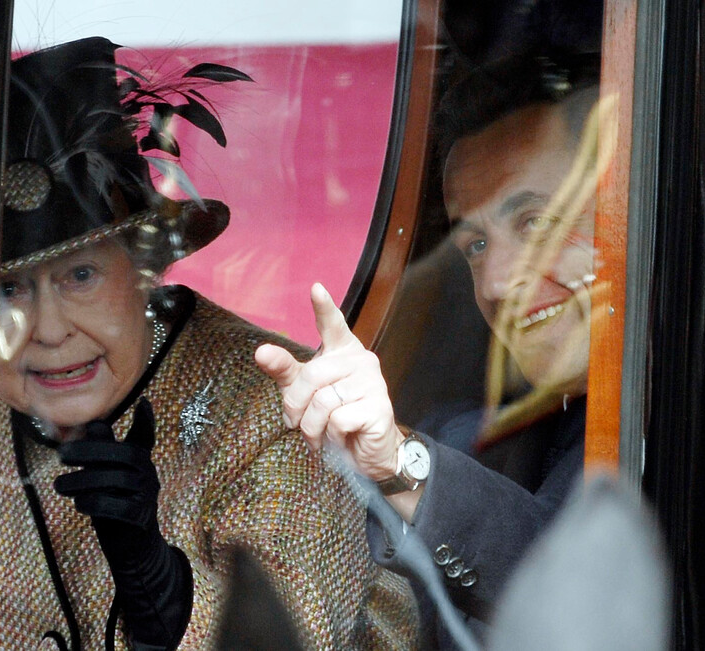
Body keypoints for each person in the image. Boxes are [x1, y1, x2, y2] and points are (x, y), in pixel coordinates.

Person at [0, 37, 418, 650]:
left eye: (80, 276)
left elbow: (298, 636)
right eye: (10, 288)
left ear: (143, 270)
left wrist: (162, 589)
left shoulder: (274, 412)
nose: (50, 330)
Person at [255, 53, 603, 646]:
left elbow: (578, 594)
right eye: (474, 246)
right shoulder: (469, 437)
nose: (495, 283)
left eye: (537, 224)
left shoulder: (680, 429)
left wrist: (398, 462)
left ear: (630, 210)